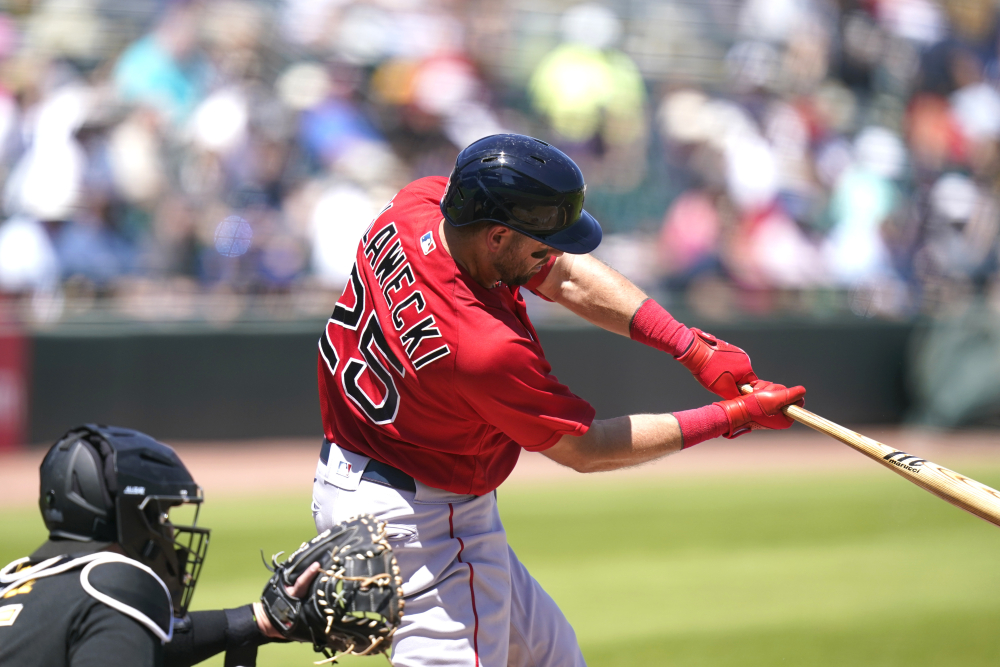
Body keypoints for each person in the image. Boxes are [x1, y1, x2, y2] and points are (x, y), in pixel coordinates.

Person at [312, 133, 806, 666]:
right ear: (498, 236)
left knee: (555, 658)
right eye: (541, 242)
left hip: (359, 475)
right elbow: (587, 450)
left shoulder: (418, 206)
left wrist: (690, 348)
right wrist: (730, 417)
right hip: (425, 522)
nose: (555, 253)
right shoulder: (481, 347)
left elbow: (564, 276)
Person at [0, 423, 319, 667]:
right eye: (162, 515)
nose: (167, 531)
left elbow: (125, 645)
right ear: (129, 517)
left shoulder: (15, 584)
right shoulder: (113, 581)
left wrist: (255, 621)